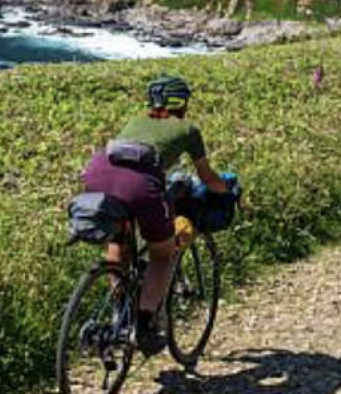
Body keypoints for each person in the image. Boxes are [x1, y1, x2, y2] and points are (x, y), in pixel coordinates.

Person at [81, 76, 231, 355]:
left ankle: (119, 312)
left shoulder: (136, 122)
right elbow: (207, 177)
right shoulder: (187, 129)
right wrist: (226, 192)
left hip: (97, 175)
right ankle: (144, 325)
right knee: (162, 254)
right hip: (141, 186)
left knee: (118, 244)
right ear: (182, 103)